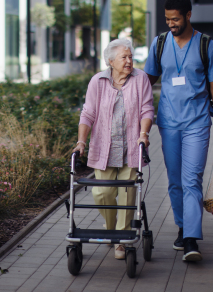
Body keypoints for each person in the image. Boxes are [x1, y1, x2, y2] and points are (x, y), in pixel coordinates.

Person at [144, 0, 213, 262]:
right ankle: (182, 226)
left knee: (192, 179)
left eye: (176, 19)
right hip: (168, 123)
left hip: (197, 123)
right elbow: (147, 79)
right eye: (167, 19)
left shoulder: (206, 45)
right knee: (174, 180)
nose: (171, 24)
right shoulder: (159, 44)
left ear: (189, 15)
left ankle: (191, 238)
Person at [73, 38, 154, 260]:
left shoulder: (141, 79)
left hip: (131, 147)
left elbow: (147, 109)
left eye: (131, 57)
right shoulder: (97, 81)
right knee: (102, 193)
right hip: (104, 147)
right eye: (124, 57)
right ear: (111, 61)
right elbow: (88, 113)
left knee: (128, 194)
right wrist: (81, 141)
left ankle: (120, 239)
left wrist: (143, 135)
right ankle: (110, 229)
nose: (129, 61)